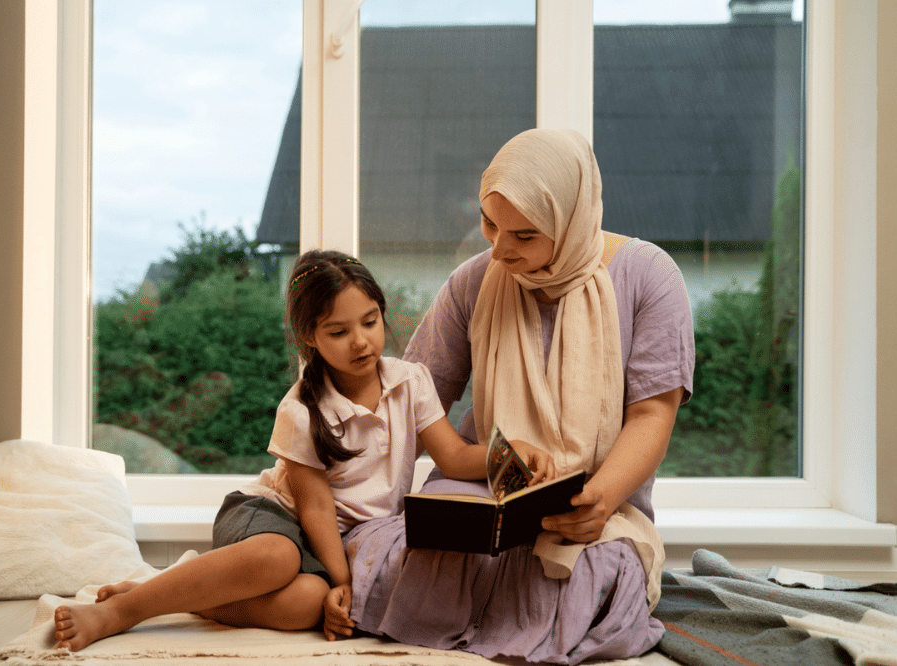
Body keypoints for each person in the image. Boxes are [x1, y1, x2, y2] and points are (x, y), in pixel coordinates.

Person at [52, 249, 553, 652]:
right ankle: (123, 611)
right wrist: (347, 580)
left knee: (307, 605)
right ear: (310, 337)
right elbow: (313, 505)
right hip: (269, 517)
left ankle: (177, 594)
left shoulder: (411, 381)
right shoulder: (301, 409)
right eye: (339, 331)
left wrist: (508, 452)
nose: (361, 341)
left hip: (326, 542)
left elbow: (452, 457)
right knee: (276, 557)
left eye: (370, 321)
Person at [342, 129, 695, 664]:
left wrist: (597, 502)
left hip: (594, 507)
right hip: (481, 488)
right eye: (489, 223)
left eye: (525, 235)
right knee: (418, 551)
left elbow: (652, 414)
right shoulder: (472, 281)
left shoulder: (649, 277)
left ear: (572, 221)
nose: (500, 249)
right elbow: (409, 399)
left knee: (575, 577)